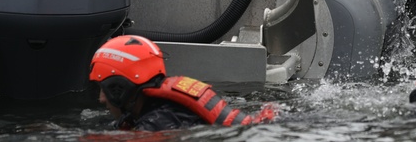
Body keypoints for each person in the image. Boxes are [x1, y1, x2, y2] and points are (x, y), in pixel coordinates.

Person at [89, 35, 276, 131]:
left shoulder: (159, 123)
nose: (101, 99)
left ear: (119, 89)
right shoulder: (161, 111)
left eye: (103, 89)